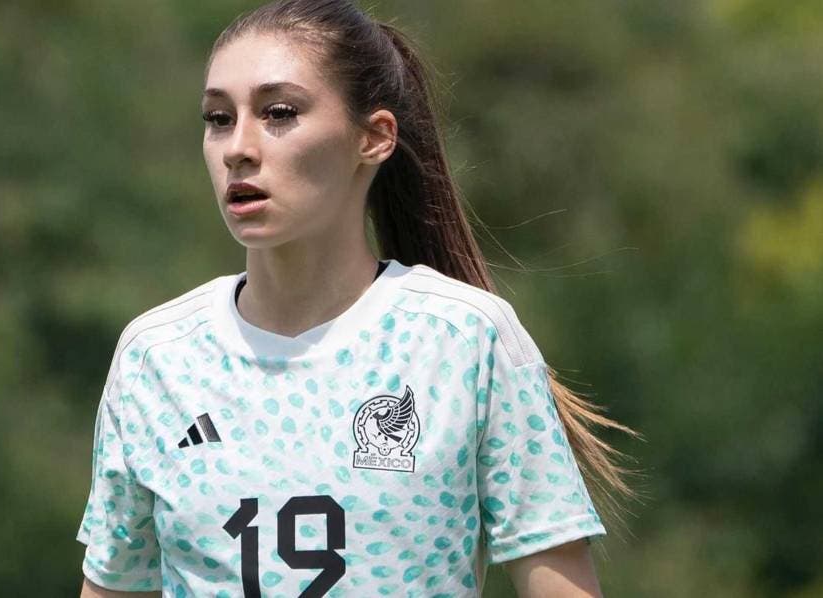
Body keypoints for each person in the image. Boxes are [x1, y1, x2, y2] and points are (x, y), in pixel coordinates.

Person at [76, 1, 638, 596]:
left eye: (279, 113)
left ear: (373, 138)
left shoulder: (465, 340)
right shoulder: (156, 358)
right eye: (218, 118)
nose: (237, 147)